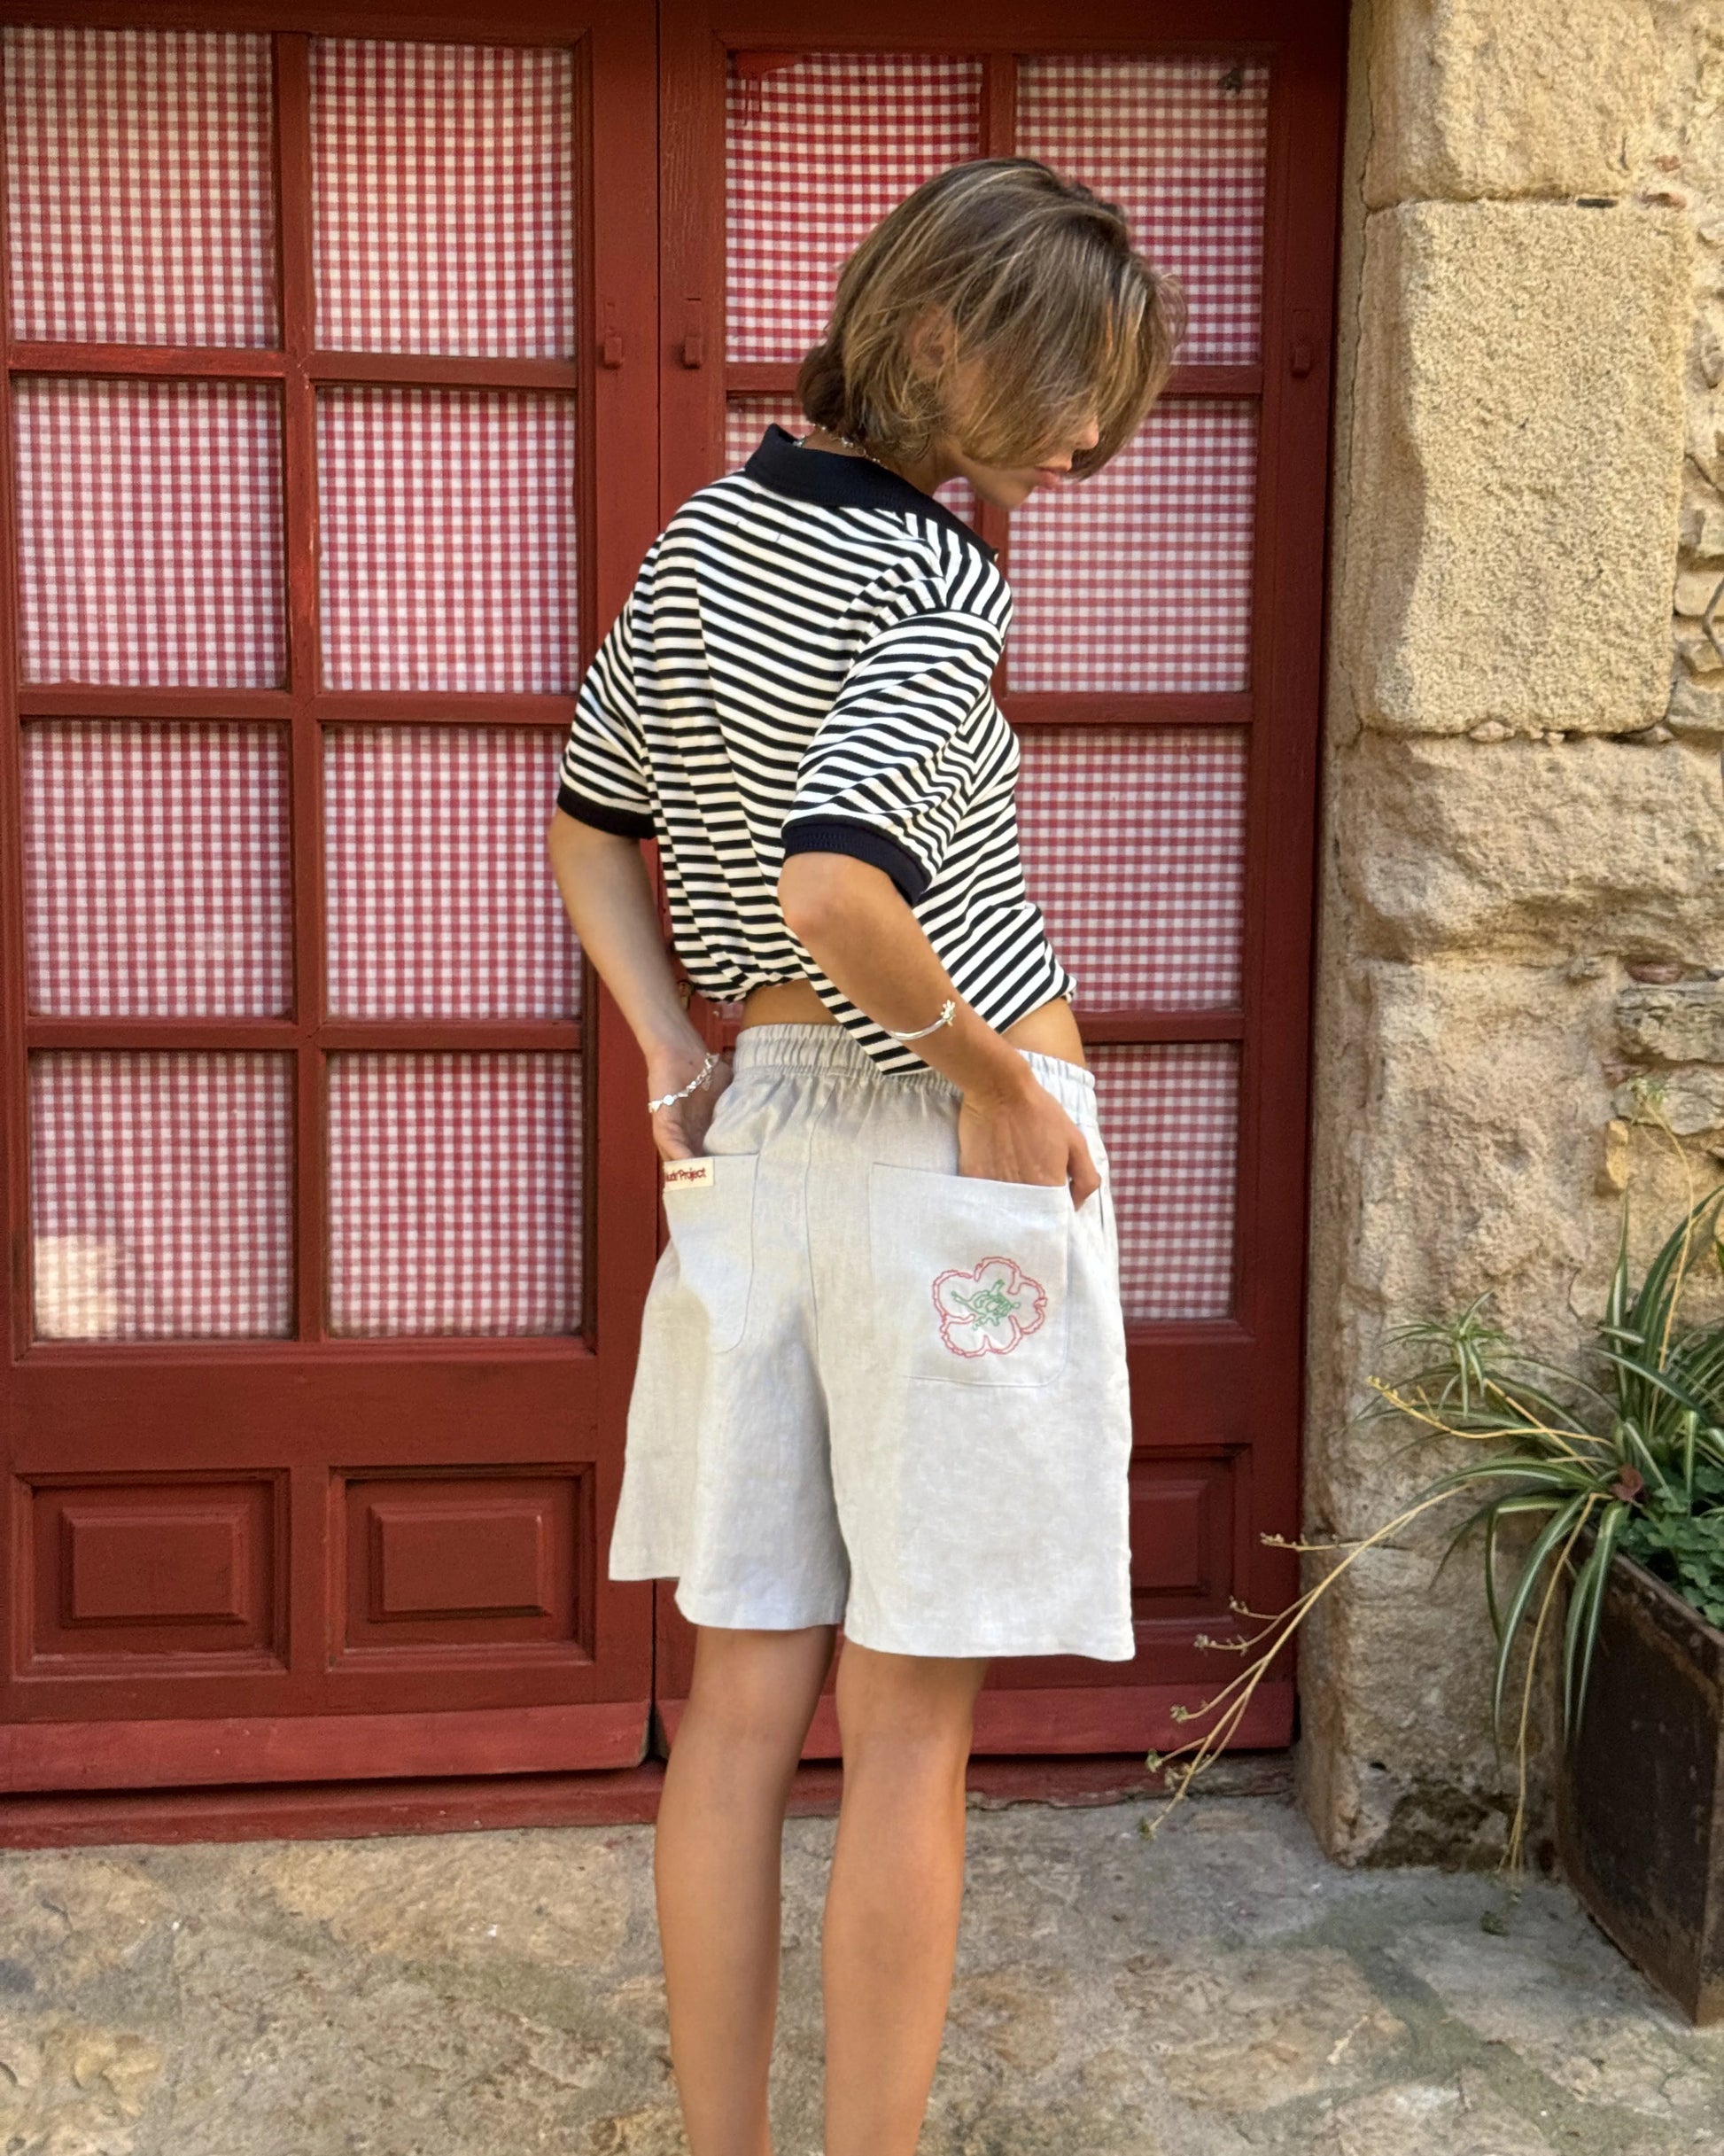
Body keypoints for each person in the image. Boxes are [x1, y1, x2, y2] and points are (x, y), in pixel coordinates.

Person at [547, 153, 1185, 2156]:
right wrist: (985, 1076)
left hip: (771, 1151)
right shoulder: (937, 575)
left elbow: (590, 817)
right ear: (933, 337)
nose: (1082, 448)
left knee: (739, 1704)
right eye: (1068, 398)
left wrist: (674, 1048)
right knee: (907, 1726)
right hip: (941, 1175)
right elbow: (839, 880)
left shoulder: (701, 535)